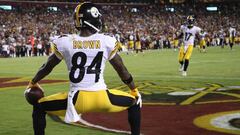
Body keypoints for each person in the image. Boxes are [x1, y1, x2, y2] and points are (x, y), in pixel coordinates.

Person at [25, 2, 142, 135]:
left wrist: (33, 82)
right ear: (93, 19)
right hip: (103, 98)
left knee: (39, 107)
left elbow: (47, 67)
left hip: (76, 100)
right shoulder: (106, 41)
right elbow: (122, 70)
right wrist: (134, 89)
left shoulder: (65, 41)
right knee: (134, 102)